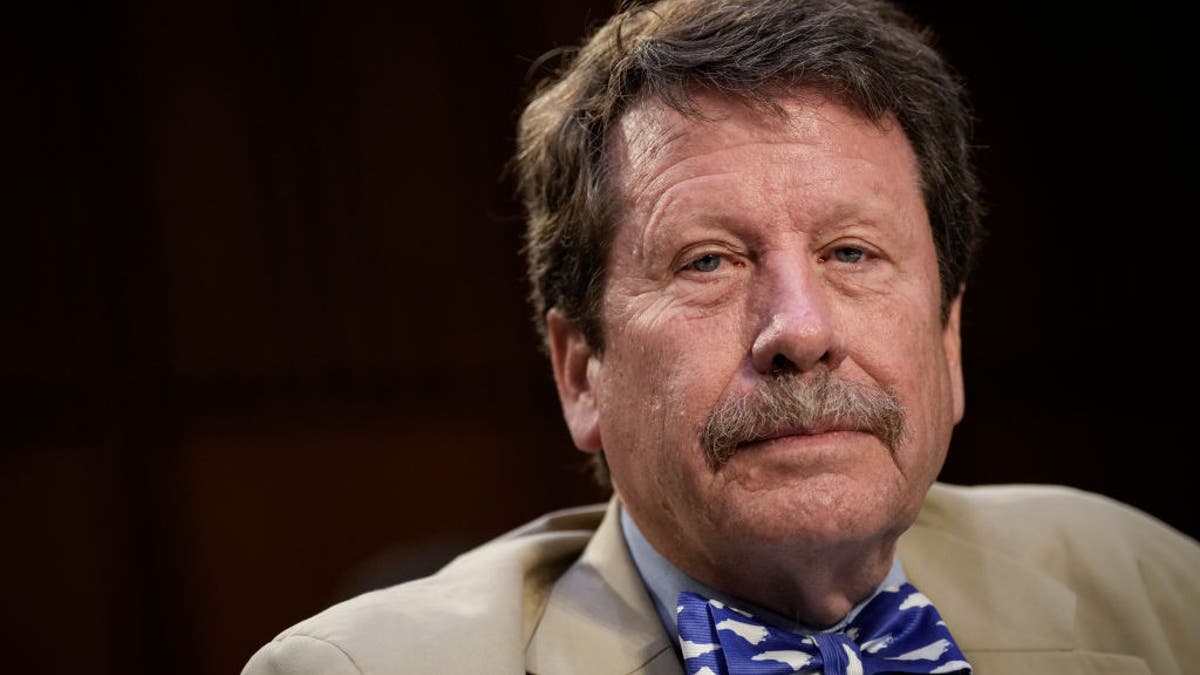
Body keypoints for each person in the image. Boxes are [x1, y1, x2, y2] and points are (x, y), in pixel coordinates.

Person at [243, 1, 1200, 673]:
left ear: (949, 343)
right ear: (581, 375)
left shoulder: (1156, 588)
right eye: (709, 262)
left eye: (853, 252)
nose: (802, 330)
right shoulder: (362, 672)